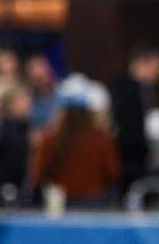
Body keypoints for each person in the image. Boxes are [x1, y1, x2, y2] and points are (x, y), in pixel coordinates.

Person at [29, 75, 121, 206]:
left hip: (59, 206)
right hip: (94, 205)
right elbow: (113, 174)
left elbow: (37, 177)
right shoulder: (101, 138)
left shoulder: (49, 139)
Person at [110, 44, 159, 189]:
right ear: (144, 63)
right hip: (126, 158)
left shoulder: (147, 90)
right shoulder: (124, 88)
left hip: (139, 156)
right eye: (157, 67)